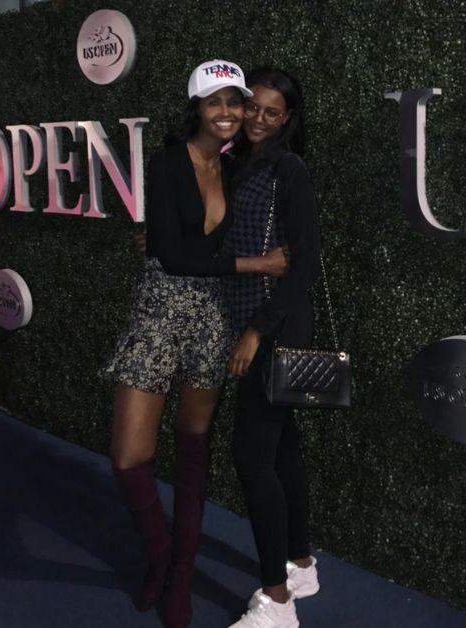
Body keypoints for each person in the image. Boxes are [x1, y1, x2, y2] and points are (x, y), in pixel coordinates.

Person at [100, 59, 288, 628]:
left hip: (213, 315)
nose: (229, 113)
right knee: (129, 456)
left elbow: (203, 245)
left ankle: (180, 575)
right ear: (197, 109)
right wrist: (259, 263)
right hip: (159, 307)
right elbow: (172, 254)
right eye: (217, 103)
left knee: (193, 447)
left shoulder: (235, 170)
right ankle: (160, 550)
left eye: (236, 101)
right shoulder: (165, 162)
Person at [224, 67, 322, 628]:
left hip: (274, 327)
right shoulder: (239, 164)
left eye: (271, 111)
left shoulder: (289, 169)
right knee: (282, 449)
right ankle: (302, 565)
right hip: (253, 323)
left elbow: (303, 263)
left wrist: (256, 330)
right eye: (251, 107)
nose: (258, 118)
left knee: (252, 457)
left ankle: (278, 602)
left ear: (287, 119)